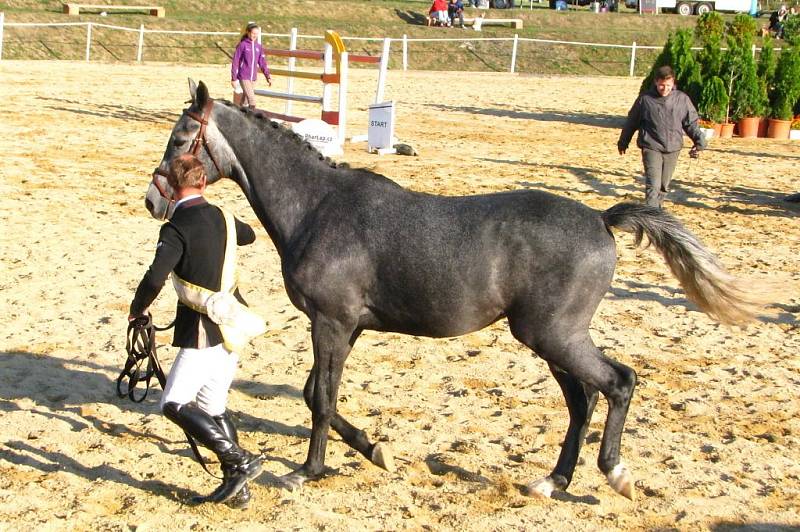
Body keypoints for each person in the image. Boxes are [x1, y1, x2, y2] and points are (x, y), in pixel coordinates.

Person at [129, 154, 262, 508]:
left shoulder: (175, 228)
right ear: (203, 183)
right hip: (232, 327)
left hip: (201, 331)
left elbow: (156, 276)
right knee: (213, 407)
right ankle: (239, 486)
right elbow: (247, 235)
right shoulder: (223, 217)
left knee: (173, 402)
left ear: (173, 187)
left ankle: (239, 460)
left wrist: (137, 309)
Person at [618, 65, 707, 209]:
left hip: (673, 148)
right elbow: (632, 121)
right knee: (653, 185)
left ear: (673, 83)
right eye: (661, 85)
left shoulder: (682, 99)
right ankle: (651, 215)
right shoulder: (645, 100)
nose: (665, 89)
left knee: (664, 185)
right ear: (655, 82)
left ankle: (657, 212)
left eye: (668, 85)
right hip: (651, 146)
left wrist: (699, 141)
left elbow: (690, 123)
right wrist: (623, 141)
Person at [231, 22, 272, 109]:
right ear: (248, 32)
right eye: (253, 33)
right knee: (252, 100)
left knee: (245, 100)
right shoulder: (242, 45)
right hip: (244, 76)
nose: (255, 35)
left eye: (256, 34)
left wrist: (267, 76)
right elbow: (235, 61)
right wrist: (234, 78)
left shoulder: (258, 46)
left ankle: (238, 116)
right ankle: (251, 120)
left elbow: (262, 62)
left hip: (253, 78)